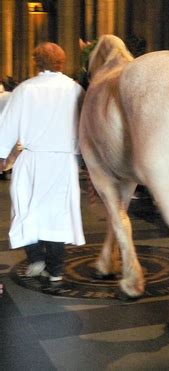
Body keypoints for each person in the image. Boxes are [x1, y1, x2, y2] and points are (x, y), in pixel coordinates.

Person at [0, 42, 85, 282]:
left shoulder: (25, 89)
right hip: (63, 162)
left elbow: (7, 125)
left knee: (26, 209)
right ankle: (56, 270)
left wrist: (2, 155)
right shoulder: (75, 89)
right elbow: (84, 127)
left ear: (36, 62)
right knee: (57, 215)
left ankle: (36, 257)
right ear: (62, 62)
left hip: (32, 161)